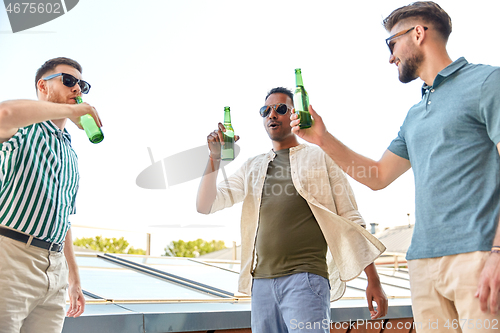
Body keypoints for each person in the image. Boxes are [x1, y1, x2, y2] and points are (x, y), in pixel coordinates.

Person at [290, 2, 500, 332]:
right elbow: (378, 176)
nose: (390, 57)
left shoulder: (488, 82)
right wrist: (322, 138)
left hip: (477, 257)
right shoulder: (415, 115)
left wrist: (498, 253)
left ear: (419, 33)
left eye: (392, 43)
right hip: (422, 264)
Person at [197, 87, 388, 333]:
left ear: (295, 114)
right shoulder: (253, 167)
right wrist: (214, 159)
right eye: (266, 110)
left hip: (305, 280)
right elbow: (205, 205)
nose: (272, 115)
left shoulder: (321, 158)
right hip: (261, 284)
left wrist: (373, 280)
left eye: (281, 109)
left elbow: (350, 218)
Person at [0, 57, 102, 333]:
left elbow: (63, 216)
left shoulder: (70, 152)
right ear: (42, 86)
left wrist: (73, 277)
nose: (77, 89)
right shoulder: (22, 128)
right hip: (10, 259)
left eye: (82, 85)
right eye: (68, 81)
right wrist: (70, 113)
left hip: (54, 271)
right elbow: (3, 114)